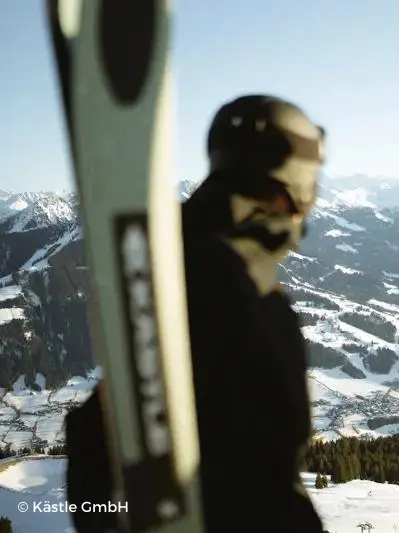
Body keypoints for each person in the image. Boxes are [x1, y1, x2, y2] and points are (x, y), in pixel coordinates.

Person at [65, 94, 327, 532]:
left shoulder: (171, 256)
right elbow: (268, 482)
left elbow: (98, 434)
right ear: (295, 178)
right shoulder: (244, 290)